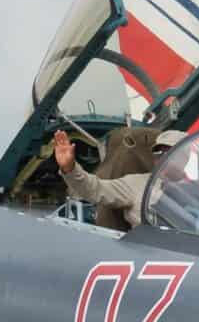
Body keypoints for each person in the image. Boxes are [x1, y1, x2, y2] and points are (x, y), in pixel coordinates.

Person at [47, 96, 179, 229]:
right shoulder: (138, 185)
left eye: (170, 152)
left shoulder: (195, 190)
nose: (163, 157)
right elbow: (94, 189)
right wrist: (70, 168)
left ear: (184, 156)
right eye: (158, 152)